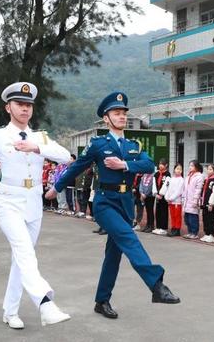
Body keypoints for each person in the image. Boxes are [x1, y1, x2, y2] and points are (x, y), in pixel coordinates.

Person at [46, 91, 180, 320]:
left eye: (124, 113)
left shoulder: (133, 145)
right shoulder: (99, 144)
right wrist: (56, 187)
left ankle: (101, 300)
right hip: (105, 202)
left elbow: (148, 165)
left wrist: (124, 165)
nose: (122, 116)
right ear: (106, 118)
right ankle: (156, 284)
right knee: (129, 237)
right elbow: (76, 167)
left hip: (126, 203)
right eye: (116, 113)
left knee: (113, 255)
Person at [0, 82, 72, 329]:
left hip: (34, 203)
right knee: (25, 252)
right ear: (7, 107)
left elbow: (66, 156)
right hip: (9, 201)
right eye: (20, 104)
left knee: (20, 259)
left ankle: (10, 312)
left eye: (28, 105)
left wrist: (37, 147)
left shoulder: (39, 136)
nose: (25, 109)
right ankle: (45, 304)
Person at [159, 163, 184, 237]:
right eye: (177, 169)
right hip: (170, 201)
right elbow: (168, 188)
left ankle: (177, 229)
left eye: (180, 169)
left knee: (177, 216)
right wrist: (167, 197)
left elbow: (179, 191)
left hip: (177, 201)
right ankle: (173, 228)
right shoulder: (171, 179)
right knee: (172, 215)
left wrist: (172, 198)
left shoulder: (181, 180)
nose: (178, 170)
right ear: (174, 169)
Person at [182, 160, 204, 239]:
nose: (190, 167)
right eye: (189, 166)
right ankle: (190, 232)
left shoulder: (199, 177)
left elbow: (198, 190)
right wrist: (183, 198)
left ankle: (194, 233)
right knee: (187, 218)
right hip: (187, 200)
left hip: (193, 201)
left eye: (192, 166)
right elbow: (184, 189)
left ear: (196, 167)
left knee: (193, 218)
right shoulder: (188, 176)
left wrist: (195, 200)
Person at [199, 163, 214, 243]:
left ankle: (212, 235)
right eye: (208, 169)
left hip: (211, 204)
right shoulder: (207, 179)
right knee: (205, 219)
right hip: (205, 203)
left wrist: (211, 203)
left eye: (210, 169)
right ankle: (207, 233)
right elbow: (203, 191)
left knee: (212, 219)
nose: (208, 171)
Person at [151, 159, 171, 235]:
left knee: (164, 212)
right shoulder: (156, 174)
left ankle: (164, 228)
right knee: (158, 211)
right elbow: (154, 184)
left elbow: (166, 184)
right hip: (157, 196)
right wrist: (155, 193)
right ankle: (158, 227)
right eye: (159, 164)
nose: (160, 165)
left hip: (163, 196)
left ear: (166, 165)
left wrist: (161, 194)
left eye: (162, 164)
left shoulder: (167, 174)